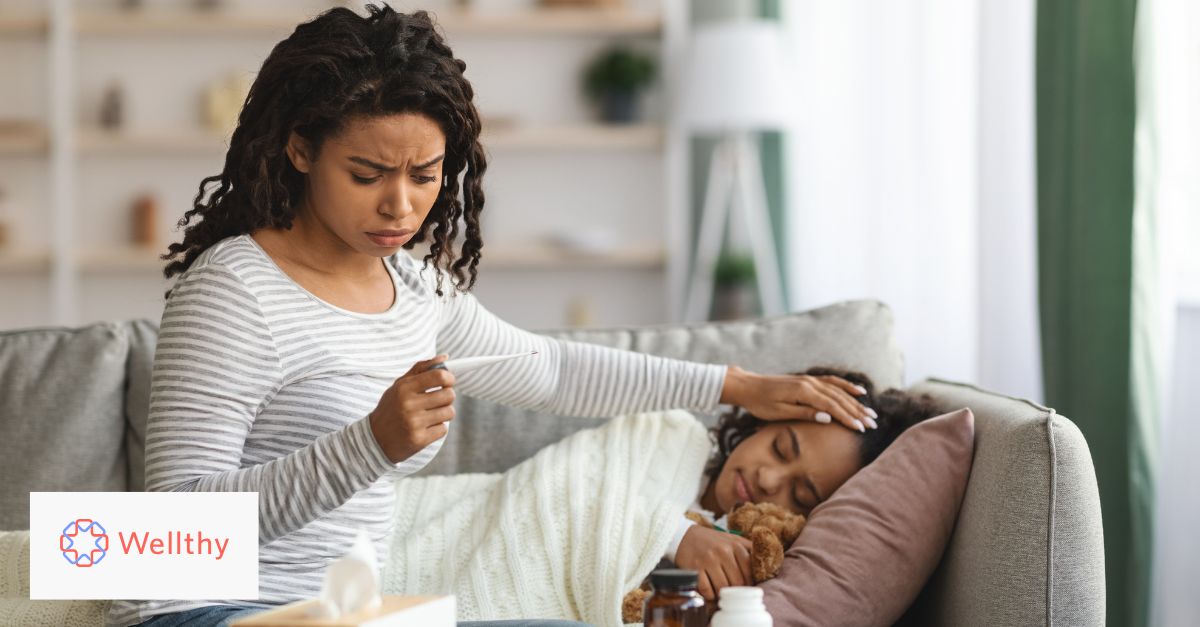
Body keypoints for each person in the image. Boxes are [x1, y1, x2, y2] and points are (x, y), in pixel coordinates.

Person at [106, 6, 875, 627]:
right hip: (204, 609)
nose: (400, 204)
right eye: (367, 173)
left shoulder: (412, 287)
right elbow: (170, 535)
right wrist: (368, 445)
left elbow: (552, 367)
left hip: (336, 613)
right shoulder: (234, 291)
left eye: (425, 176)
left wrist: (740, 385)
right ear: (301, 149)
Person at [664, 368, 938, 601]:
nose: (767, 480)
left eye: (799, 494)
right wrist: (675, 536)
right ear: (765, 420)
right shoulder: (668, 435)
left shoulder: (765, 573)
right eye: (779, 449)